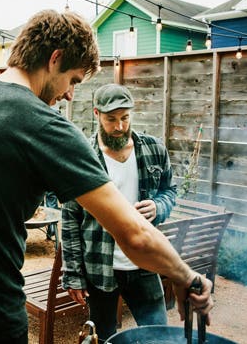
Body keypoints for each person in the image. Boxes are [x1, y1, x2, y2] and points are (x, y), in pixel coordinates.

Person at [0, 9, 213, 344]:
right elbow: (133, 234)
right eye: (73, 79)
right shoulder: (43, 125)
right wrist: (186, 277)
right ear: (55, 59)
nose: (71, 94)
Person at [62, 83, 177, 340]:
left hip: (144, 262)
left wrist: (159, 206)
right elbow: (70, 220)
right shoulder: (83, 157)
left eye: (125, 118)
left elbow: (170, 191)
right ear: (96, 114)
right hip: (99, 267)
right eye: (111, 119)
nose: (120, 126)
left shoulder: (154, 149)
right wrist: (73, 275)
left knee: (158, 335)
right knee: (103, 337)